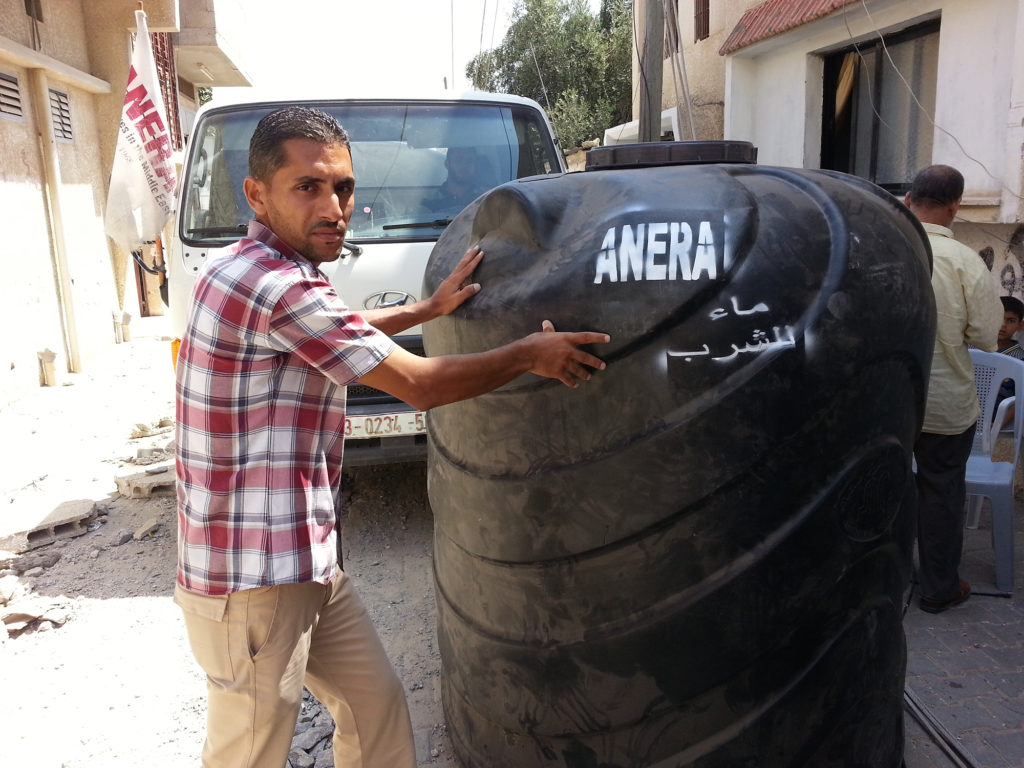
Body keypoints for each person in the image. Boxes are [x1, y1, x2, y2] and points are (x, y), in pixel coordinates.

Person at [173, 106, 611, 768]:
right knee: (246, 755)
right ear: (256, 194)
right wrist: (528, 354)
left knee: (374, 713)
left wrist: (427, 308)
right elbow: (421, 386)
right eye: (308, 187)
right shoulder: (273, 284)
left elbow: (336, 323)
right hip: (252, 581)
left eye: (343, 187)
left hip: (301, 559)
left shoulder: (261, 269)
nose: (333, 206)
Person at [906, 164, 1001, 614]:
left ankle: (879, 578)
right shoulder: (965, 262)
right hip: (944, 404)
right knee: (941, 491)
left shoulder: (882, 248)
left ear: (908, 200)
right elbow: (985, 336)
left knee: (881, 484)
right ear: (956, 206)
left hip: (887, 401)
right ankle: (938, 587)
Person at [426, 145, 491, 212]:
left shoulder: (488, 197)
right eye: (458, 160)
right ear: (447, 164)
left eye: (469, 161)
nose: (464, 165)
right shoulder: (430, 201)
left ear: (475, 165)